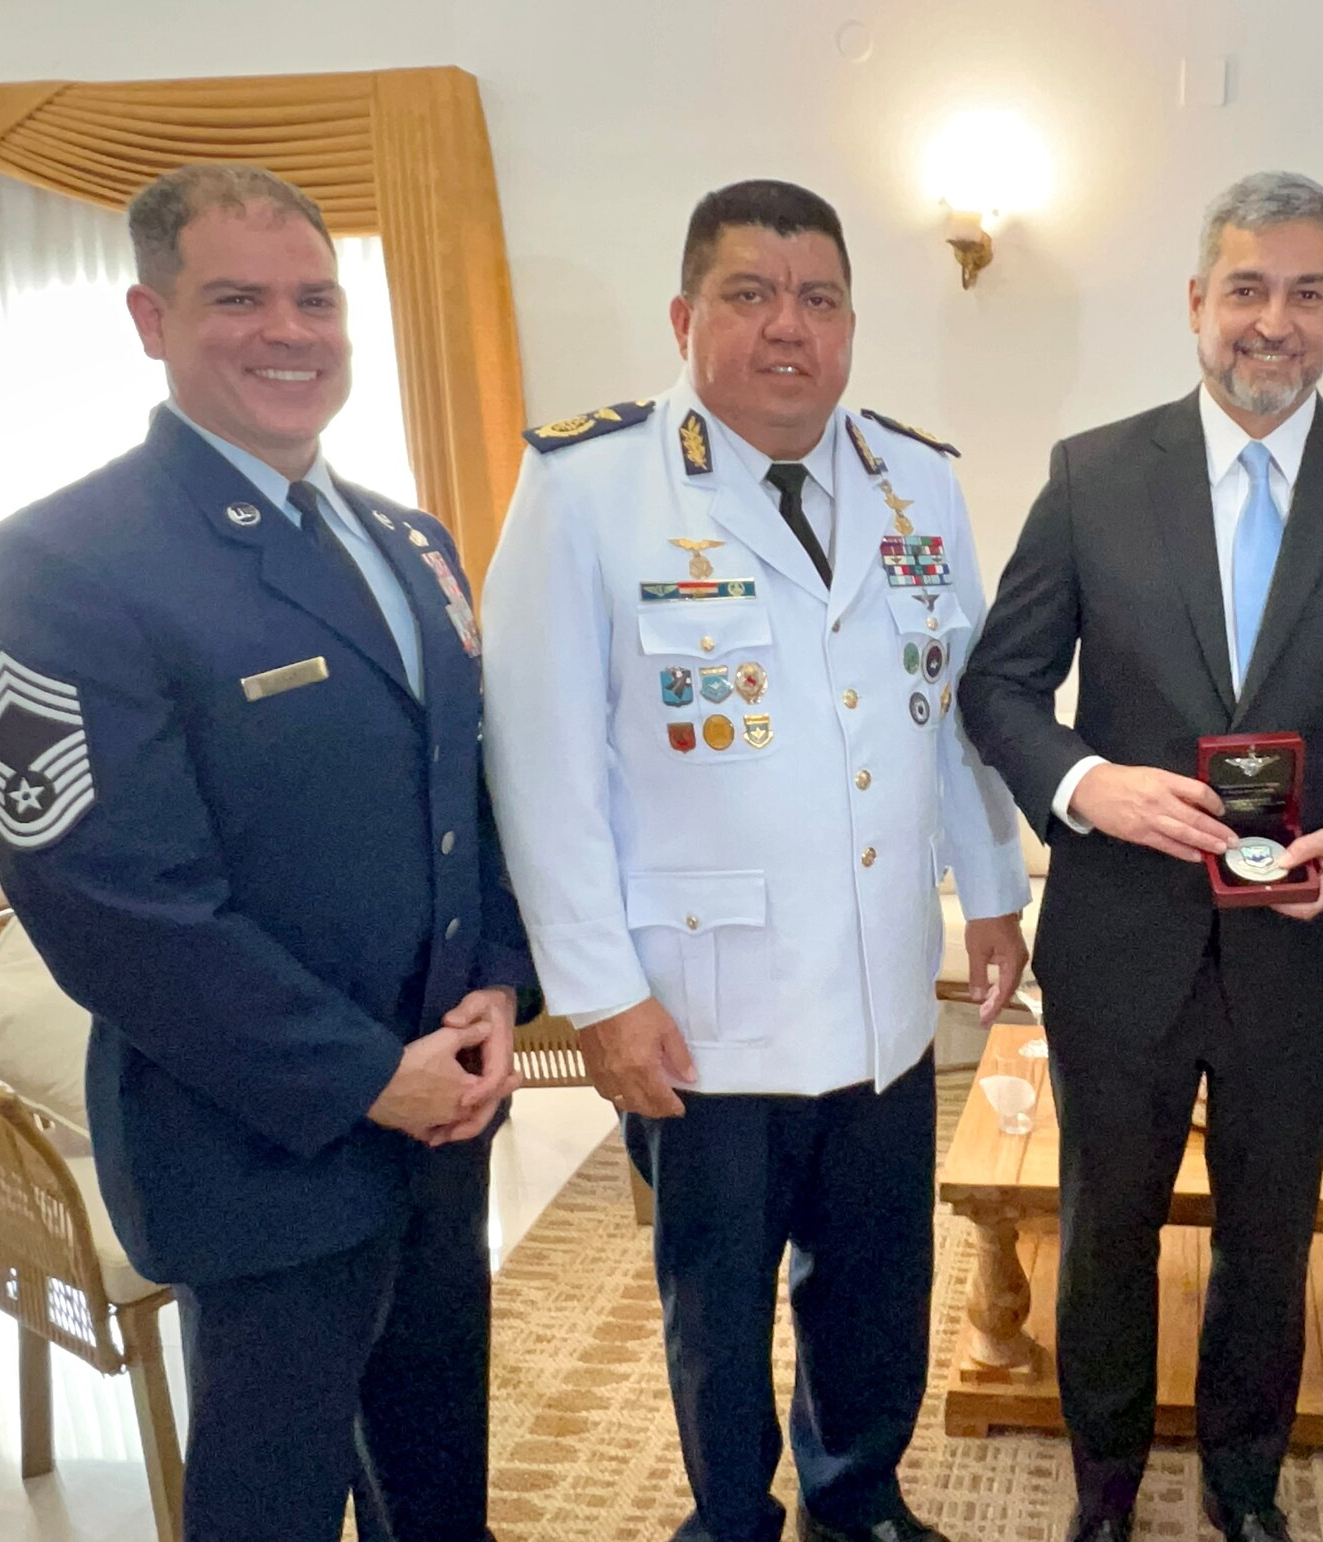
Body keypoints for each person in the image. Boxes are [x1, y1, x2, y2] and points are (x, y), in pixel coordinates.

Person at [0, 163, 536, 1542]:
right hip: (262, 1141)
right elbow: (112, 899)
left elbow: (470, 794)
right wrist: (362, 1076)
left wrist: (501, 985)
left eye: (315, 298)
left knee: (437, 1479)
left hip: (440, 1116)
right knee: (267, 1501)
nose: (291, 330)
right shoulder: (62, 557)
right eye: (238, 299)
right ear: (150, 319)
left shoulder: (410, 539)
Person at [480, 178, 1031, 1542]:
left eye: (820, 299)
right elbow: (538, 768)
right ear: (684, 315)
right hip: (697, 1002)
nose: (789, 327)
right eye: (750, 294)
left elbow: (956, 705)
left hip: (882, 991)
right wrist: (598, 993)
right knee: (714, 1295)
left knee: (876, 1279)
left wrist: (997, 890)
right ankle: (730, 1510)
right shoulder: (587, 487)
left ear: (850, 324)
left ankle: (859, 1494)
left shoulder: (921, 477)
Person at [957, 171, 1323, 1542]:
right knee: (1104, 1231)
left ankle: (1246, 1487)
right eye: (1247, 288)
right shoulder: (1091, 476)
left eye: (1306, 293)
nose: (1274, 322)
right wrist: (1087, 782)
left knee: (1271, 1241)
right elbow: (1000, 686)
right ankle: (1107, 1488)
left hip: (1305, 946)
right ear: (1196, 303)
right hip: (1120, 935)